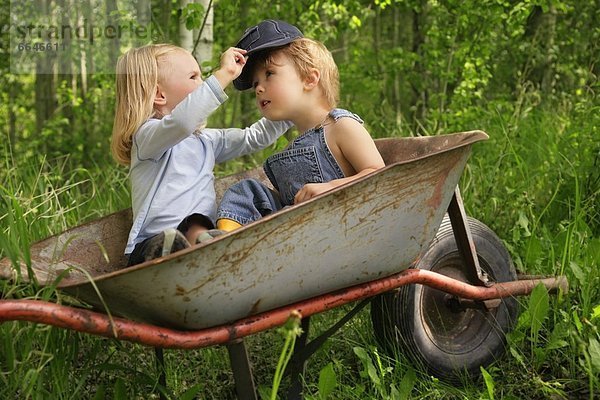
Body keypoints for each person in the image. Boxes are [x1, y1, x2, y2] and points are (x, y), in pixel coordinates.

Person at [110, 43, 292, 266]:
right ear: (159, 94)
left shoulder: (204, 140)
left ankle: (205, 244)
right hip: (150, 245)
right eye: (194, 77)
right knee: (171, 238)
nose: (202, 83)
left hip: (198, 237)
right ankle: (177, 249)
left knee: (199, 225)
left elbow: (253, 137)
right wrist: (224, 75)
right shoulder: (146, 138)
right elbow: (183, 122)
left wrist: (291, 107)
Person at [216, 20, 385, 231]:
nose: (258, 88)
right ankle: (224, 238)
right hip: (302, 234)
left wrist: (331, 187)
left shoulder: (341, 127)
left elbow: (379, 176)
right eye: (255, 83)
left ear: (309, 79)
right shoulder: (293, 148)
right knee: (248, 190)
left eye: (269, 74)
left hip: (347, 227)